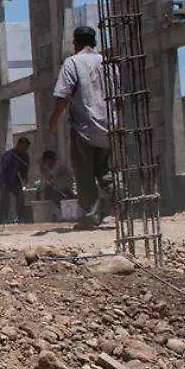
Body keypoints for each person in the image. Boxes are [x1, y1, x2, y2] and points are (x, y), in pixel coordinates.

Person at [48, 25, 113, 229]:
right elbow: (118, 95)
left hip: (84, 128)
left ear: (76, 42)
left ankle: (90, 216)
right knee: (103, 170)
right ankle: (122, 199)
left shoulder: (72, 63)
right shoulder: (107, 62)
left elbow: (63, 96)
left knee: (84, 173)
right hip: (108, 127)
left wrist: (52, 122)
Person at [0, 137, 31, 223]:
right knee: (5, 199)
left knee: (20, 196)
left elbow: (24, 171)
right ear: (18, 145)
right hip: (4, 178)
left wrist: (26, 181)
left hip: (14, 179)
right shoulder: (10, 154)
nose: (24, 149)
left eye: (26, 148)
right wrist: (2, 183)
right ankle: (3, 219)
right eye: (23, 147)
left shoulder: (25, 156)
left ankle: (21, 217)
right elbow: (1, 169)